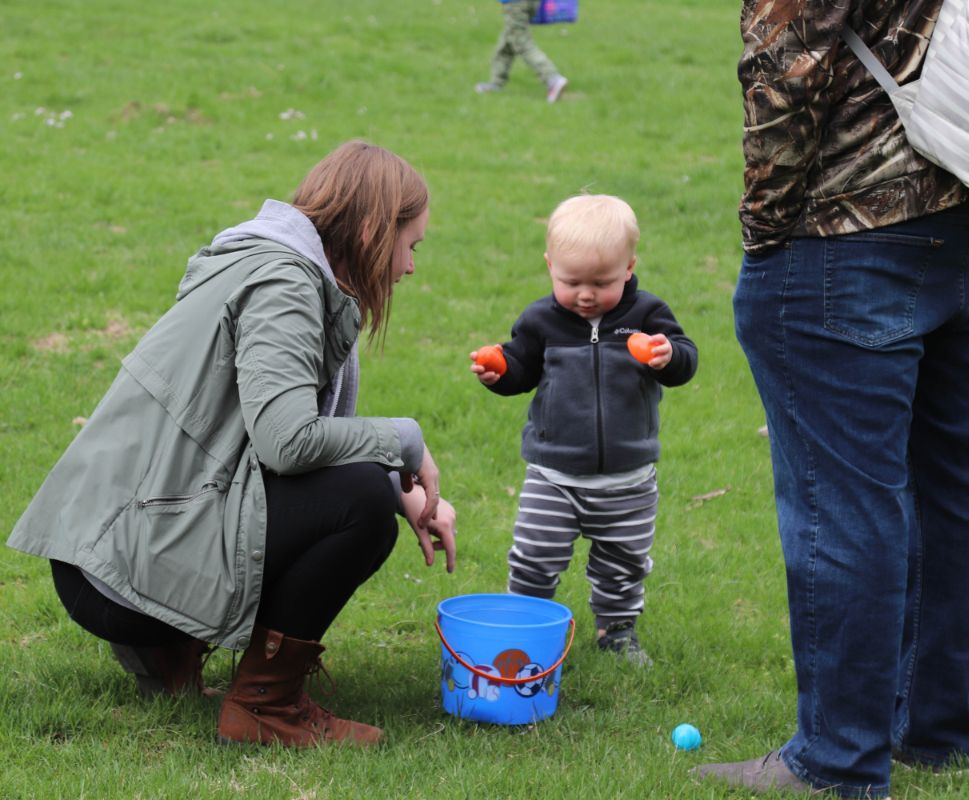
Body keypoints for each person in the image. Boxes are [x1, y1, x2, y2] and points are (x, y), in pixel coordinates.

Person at [7, 140, 457, 748]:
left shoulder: (265, 261)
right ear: (376, 230)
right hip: (119, 565)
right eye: (411, 246)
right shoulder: (286, 286)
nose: (409, 268)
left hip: (109, 545)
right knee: (361, 507)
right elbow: (287, 442)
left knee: (365, 489)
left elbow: (268, 437)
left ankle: (170, 655)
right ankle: (265, 706)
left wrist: (391, 479)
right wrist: (403, 443)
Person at [693, 3, 969, 797]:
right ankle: (931, 731)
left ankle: (837, 761)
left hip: (849, 220)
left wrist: (766, 232)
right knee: (952, 477)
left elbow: (787, 63)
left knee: (844, 499)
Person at [469, 194, 697, 666]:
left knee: (623, 563)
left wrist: (668, 356)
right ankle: (527, 623)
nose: (586, 294)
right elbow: (521, 368)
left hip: (628, 479)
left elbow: (684, 358)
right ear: (550, 265)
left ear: (629, 267)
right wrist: (499, 372)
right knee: (534, 554)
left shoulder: (648, 316)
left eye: (602, 282)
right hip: (554, 474)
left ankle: (616, 630)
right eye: (570, 281)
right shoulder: (541, 320)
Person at [475, 0, 569, 102]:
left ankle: (552, 78)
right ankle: (496, 83)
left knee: (522, 42)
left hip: (515, 3)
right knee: (508, 41)